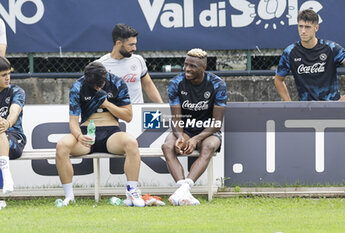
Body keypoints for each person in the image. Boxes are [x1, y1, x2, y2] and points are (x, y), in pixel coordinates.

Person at [55, 61, 145, 207]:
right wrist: (79, 136)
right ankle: (69, 196)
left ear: (106, 77)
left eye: (100, 85)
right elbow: (73, 121)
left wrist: (107, 104)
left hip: (111, 134)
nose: (97, 88)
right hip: (86, 135)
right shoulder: (78, 86)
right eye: (93, 86)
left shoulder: (117, 83)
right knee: (62, 145)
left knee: (132, 143)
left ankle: (132, 192)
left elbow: (128, 116)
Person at [162, 48, 227, 206]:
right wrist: (180, 137)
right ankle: (183, 190)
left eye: (192, 66)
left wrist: (196, 139)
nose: (187, 69)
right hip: (184, 129)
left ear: (203, 68)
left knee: (209, 146)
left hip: (208, 131)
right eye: (185, 65)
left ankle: (184, 189)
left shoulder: (218, 84)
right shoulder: (176, 83)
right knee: (167, 146)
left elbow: (217, 123)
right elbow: (176, 118)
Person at [274, 9, 345, 101]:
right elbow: (278, 79)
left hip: (332, 108)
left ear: (316, 28)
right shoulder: (290, 52)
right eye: (300, 26)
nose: (303, 31)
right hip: (305, 110)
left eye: (307, 27)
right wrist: (289, 103)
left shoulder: (331, 48)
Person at [96, 23, 163, 103]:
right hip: (114, 113)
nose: (134, 48)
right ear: (118, 43)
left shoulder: (138, 60)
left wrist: (161, 106)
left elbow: (148, 84)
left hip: (138, 112)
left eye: (135, 44)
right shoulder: (99, 65)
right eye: (131, 45)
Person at [0, 56, 26, 194]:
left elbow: (14, 111)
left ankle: (6, 172)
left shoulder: (16, 91)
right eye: (4, 75)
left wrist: (7, 123)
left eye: (9, 74)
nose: (8, 78)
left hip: (14, 139)